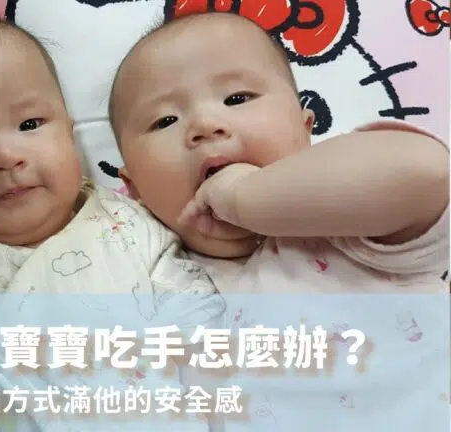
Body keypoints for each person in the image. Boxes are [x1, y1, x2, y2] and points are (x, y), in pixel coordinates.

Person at [0, 15, 226, 432]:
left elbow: (195, 318)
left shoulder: (127, 220)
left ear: (69, 132)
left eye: (29, 125)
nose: (7, 157)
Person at [109, 11, 449, 431]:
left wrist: (245, 197)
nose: (205, 126)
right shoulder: (149, 279)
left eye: (237, 98)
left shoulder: (349, 223)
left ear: (305, 129)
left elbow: (427, 171)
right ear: (133, 186)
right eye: (165, 120)